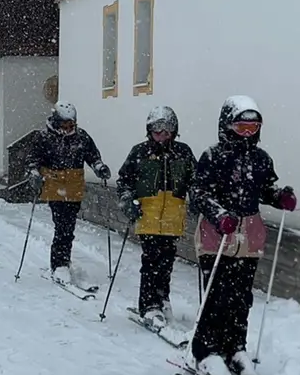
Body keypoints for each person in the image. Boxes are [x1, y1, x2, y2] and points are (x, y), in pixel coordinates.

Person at [188, 95, 297, 375]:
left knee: (240, 298)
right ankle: (206, 351)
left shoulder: (261, 159)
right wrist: (219, 214)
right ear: (227, 126)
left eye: (253, 128)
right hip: (217, 236)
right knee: (216, 296)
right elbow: (198, 193)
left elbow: (266, 189)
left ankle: (235, 348)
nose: (247, 134)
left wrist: (280, 197)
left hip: (248, 238)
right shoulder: (213, 156)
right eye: (241, 127)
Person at [116, 106, 197, 330]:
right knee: (151, 260)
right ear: (149, 131)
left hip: (172, 217)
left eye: (166, 130)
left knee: (167, 261)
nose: (161, 135)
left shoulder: (183, 152)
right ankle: (149, 304)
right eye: (156, 130)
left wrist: (196, 196)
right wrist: (128, 199)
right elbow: (124, 181)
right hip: (148, 216)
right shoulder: (140, 152)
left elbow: (195, 179)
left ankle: (162, 298)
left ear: (174, 131)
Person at [26, 101, 111, 289]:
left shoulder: (81, 137)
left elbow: (93, 156)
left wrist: (99, 167)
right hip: (54, 186)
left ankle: (64, 260)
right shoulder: (43, 137)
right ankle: (59, 264)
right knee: (62, 226)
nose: (68, 128)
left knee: (68, 226)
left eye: (71, 124)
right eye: (64, 124)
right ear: (56, 122)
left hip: (73, 188)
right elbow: (32, 160)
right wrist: (34, 174)